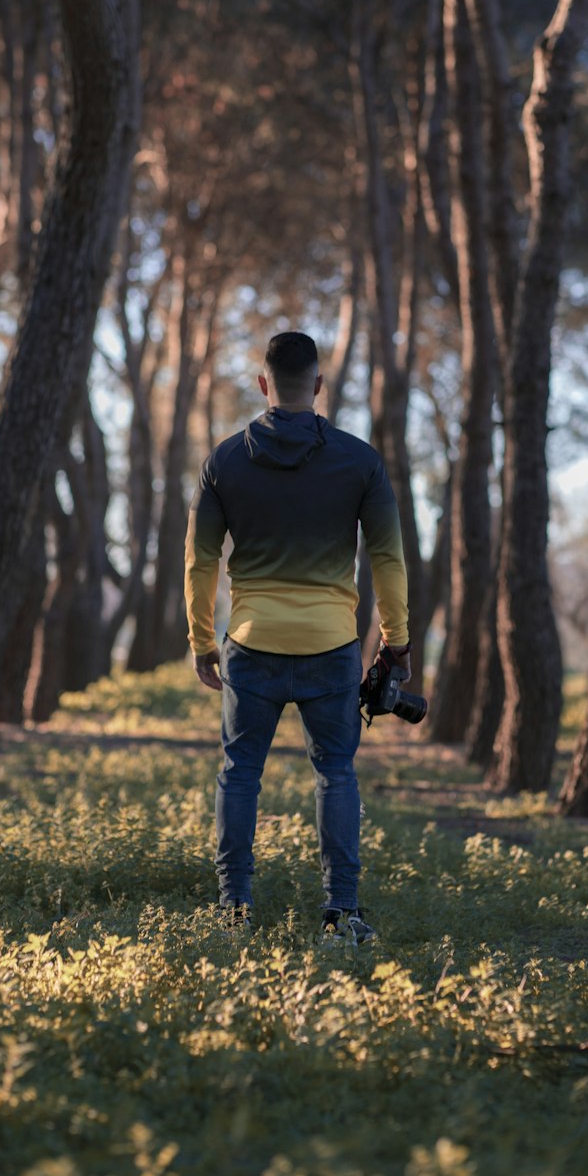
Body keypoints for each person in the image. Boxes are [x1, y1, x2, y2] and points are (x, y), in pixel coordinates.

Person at [184, 330, 410, 942]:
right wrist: (397, 641)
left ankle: (234, 911)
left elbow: (201, 561)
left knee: (239, 773)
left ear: (264, 385)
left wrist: (203, 641)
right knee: (336, 773)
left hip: (251, 643)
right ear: (317, 386)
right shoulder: (360, 461)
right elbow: (387, 557)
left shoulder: (224, 460)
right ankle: (342, 913)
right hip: (331, 645)